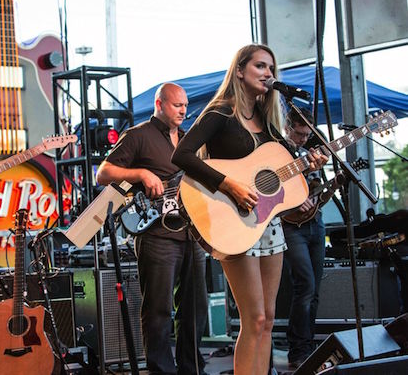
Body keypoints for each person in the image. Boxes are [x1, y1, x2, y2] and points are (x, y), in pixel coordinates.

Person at [171, 44, 327, 375]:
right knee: (253, 318)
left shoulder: (269, 124)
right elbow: (181, 156)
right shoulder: (221, 113)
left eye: (272, 68)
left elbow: (282, 175)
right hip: (231, 220)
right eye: (260, 66)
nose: (269, 73)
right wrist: (229, 184)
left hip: (266, 224)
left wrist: (308, 166)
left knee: (268, 320)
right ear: (239, 70)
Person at [96, 83, 208, 374]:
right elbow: (103, 173)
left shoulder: (188, 139)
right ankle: (161, 371)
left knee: (196, 309)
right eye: (176, 105)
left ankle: (191, 368)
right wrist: (142, 173)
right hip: (157, 234)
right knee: (158, 311)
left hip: (192, 231)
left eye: (185, 105)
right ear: (160, 104)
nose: (183, 110)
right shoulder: (138, 136)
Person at [281, 107, 326, 369]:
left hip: (315, 224)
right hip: (291, 227)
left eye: (308, 134)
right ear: (288, 127)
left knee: (315, 291)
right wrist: (296, 201)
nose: (303, 139)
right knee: (305, 286)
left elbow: (316, 189)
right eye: (299, 133)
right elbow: (277, 189)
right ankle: (298, 349)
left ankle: (307, 346)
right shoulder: (279, 150)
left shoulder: (310, 149)